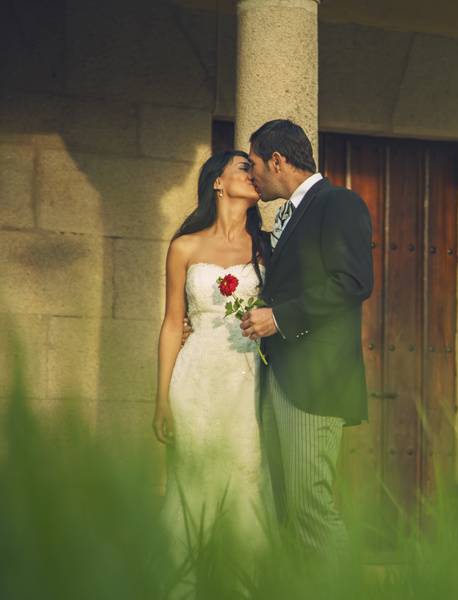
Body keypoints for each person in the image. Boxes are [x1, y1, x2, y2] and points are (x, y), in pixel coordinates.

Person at [238, 119, 373, 562]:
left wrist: (279, 317)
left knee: (310, 509)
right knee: (289, 515)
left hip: (314, 384)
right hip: (282, 377)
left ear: (278, 160)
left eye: (255, 164)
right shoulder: (288, 214)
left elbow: (352, 281)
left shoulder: (338, 203)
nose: (252, 174)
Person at [152, 150, 271, 558]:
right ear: (217, 182)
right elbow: (172, 323)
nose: (253, 174)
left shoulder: (266, 248)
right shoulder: (184, 247)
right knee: (192, 481)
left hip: (248, 377)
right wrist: (162, 399)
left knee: (245, 482)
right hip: (196, 378)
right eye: (243, 167)